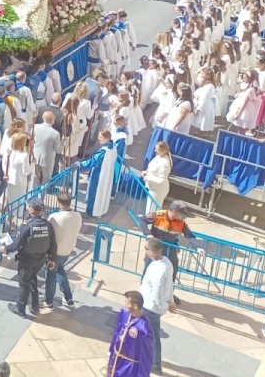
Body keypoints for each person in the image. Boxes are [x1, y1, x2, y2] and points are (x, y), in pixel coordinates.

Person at [4, 200, 56, 317]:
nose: (27, 208)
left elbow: (16, 245)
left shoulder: (27, 226)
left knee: (24, 284)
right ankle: (34, 306)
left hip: (26, 260)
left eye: (28, 206)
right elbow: (53, 244)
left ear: (32, 210)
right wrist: (52, 259)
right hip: (40, 260)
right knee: (33, 279)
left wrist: (5, 249)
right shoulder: (47, 225)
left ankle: (20, 308)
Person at [140, 237, 175, 374]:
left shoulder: (158, 271)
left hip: (150, 307)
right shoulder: (166, 262)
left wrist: (163, 305)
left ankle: (155, 363)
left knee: (152, 336)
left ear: (153, 251)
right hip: (152, 306)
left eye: (146, 249)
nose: (146, 252)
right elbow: (170, 284)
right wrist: (170, 301)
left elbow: (157, 292)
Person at [44, 192, 81, 309]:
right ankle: (68, 297)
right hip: (68, 249)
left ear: (59, 203)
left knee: (50, 276)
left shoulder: (55, 217)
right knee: (60, 270)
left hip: (55, 252)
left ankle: (49, 301)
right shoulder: (78, 216)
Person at [107, 290, 155, 377]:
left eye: (127, 303)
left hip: (129, 367)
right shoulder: (124, 313)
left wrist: (142, 375)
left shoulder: (144, 328)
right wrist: (111, 349)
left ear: (135, 306)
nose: (125, 306)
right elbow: (117, 332)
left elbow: (146, 356)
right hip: (116, 359)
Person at [143, 142, 173, 210]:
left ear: (163, 151)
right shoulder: (159, 156)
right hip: (154, 188)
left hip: (158, 190)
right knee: (149, 208)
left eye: (157, 149)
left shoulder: (165, 163)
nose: (155, 151)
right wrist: (147, 172)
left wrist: (148, 178)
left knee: (152, 210)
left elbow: (162, 179)